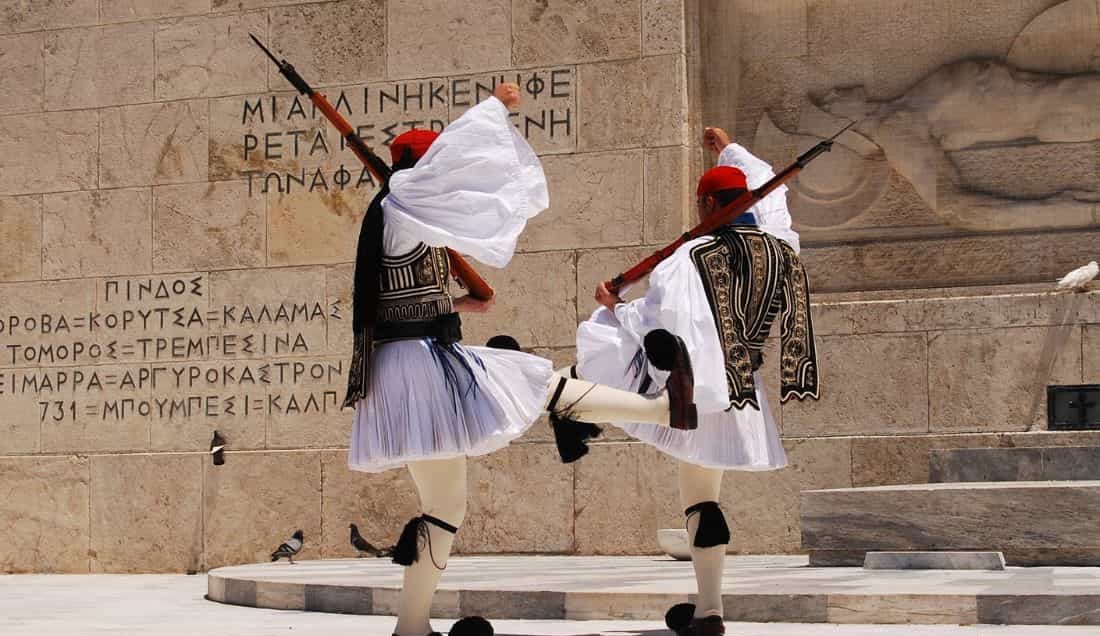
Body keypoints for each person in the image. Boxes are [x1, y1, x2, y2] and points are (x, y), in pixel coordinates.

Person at [343, 83, 698, 636]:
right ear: (419, 171)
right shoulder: (402, 204)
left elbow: (401, 298)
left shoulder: (402, 216)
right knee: (451, 494)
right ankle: (658, 411)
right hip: (414, 370)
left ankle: (412, 628)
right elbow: (454, 162)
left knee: (524, 400)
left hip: (416, 358)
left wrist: (461, 303)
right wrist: (494, 109)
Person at [574, 127, 819, 636]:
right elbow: (772, 202)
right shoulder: (780, 251)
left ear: (708, 203)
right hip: (746, 392)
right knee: (705, 495)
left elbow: (668, 327)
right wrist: (728, 150)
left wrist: (616, 307)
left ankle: (710, 612)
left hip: (700, 389)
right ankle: (708, 607)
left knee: (698, 496)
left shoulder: (691, 257)